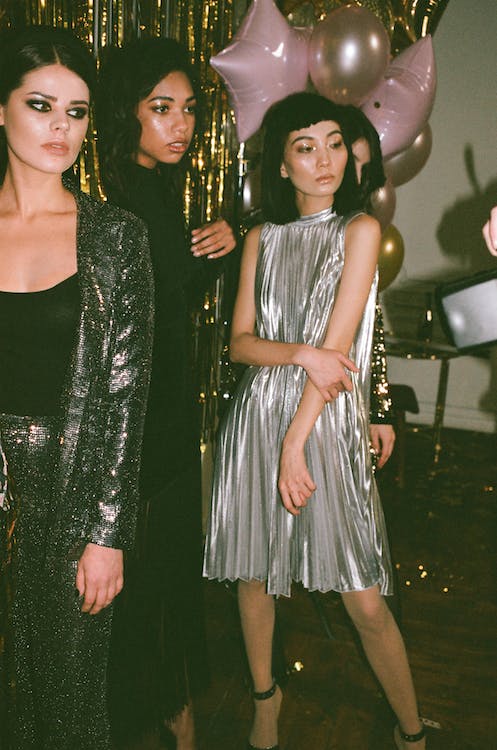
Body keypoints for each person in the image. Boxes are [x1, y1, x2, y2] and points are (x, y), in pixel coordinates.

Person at [203, 92, 426, 750]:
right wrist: (298, 354)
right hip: (256, 418)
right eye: (305, 147)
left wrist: (295, 443)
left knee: (362, 595)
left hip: (322, 422)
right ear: (281, 165)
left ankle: (411, 732)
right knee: (252, 574)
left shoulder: (360, 230)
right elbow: (239, 344)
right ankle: (265, 700)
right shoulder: (260, 239)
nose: (325, 159)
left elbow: (339, 351)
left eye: (334, 143)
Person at [0, 25, 154, 750]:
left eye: (77, 111)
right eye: (40, 105)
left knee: (67, 704)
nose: (60, 127)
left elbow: (125, 396)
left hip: (70, 494)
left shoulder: (116, 237)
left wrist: (107, 534)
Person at [97, 37, 236, 750]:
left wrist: (215, 249)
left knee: (165, 577)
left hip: (169, 411)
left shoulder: (152, 185)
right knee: (147, 582)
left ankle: (168, 715)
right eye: (161, 108)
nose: (180, 124)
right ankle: (156, 717)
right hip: (137, 423)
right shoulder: (113, 191)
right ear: (128, 110)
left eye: (187, 109)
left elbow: (167, 298)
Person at [345, 104, 396, 469]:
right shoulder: (266, 231)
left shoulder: (361, 228)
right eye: (350, 163)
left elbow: (370, 322)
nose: (356, 177)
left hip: (344, 390)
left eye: (363, 167)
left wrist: (380, 410)